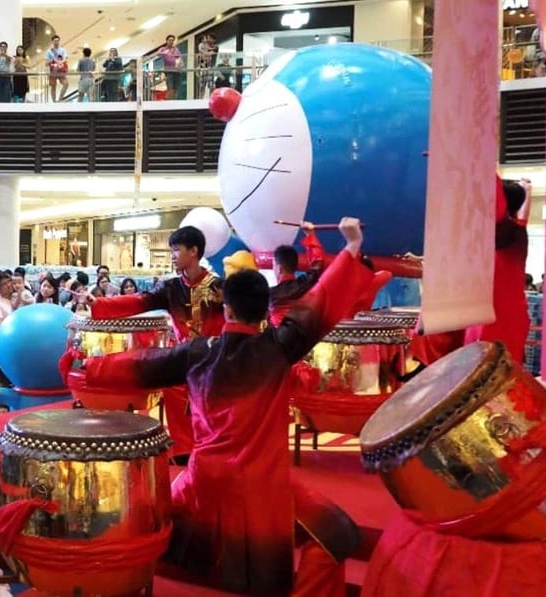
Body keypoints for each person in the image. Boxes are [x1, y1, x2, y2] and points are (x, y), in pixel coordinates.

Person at [81, 217, 372, 594]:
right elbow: (322, 300)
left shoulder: (196, 353)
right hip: (264, 484)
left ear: (227, 310)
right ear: (264, 311)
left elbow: (140, 364)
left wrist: (89, 365)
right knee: (338, 535)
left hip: (205, 479)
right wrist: (351, 247)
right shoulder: (280, 347)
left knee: (156, 520)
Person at [83, 225, 225, 458]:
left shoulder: (219, 287)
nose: (172, 256)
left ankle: (212, 450)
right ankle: (183, 452)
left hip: (214, 359)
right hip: (182, 358)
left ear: (193, 251)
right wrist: (99, 303)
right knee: (174, 390)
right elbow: (139, 301)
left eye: (176, 250)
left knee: (213, 408)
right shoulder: (171, 288)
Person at [463, 178, 532, 364]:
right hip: (485, 311)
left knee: (492, 369)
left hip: (501, 314)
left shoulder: (510, 232)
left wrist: (477, 171)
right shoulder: (507, 231)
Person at [269, 222, 325, 326]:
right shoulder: (306, 284)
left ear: (279, 268)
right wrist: (311, 234)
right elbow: (317, 264)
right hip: (305, 333)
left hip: (279, 335)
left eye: (273, 266)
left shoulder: (270, 294)